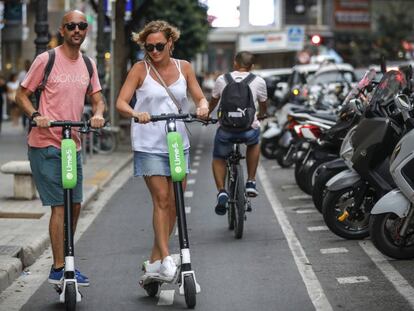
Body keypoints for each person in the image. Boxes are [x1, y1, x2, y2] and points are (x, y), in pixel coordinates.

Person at [15, 10, 105, 286]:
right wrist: (35, 117)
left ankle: (67, 259)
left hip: (72, 145)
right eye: (71, 26)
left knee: (75, 205)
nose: (77, 30)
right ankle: (58, 268)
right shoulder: (47, 59)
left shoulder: (89, 64)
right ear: (63, 30)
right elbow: (21, 95)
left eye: (81, 25)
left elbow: (98, 99)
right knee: (59, 207)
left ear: (86, 30)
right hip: (45, 145)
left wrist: (99, 113)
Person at [116, 20, 209, 281]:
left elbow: (199, 96)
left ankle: (155, 259)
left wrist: (202, 106)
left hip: (177, 143)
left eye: (159, 46)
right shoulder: (139, 69)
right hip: (149, 144)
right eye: (149, 47)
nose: (154, 52)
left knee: (176, 204)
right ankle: (167, 259)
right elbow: (121, 102)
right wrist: (136, 113)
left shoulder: (185, 67)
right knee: (162, 200)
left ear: (170, 43)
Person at [208, 51, 268, 215]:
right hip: (248, 129)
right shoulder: (259, 81)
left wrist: (206, 115)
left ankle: (221, 191)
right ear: (252, 66)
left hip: (226, 130)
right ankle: (250, 181)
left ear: (235, 63)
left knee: (219, 157)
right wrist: (262, 115)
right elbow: (263, 104)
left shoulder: (222, 79)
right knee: (254, 142)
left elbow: (213, 101)